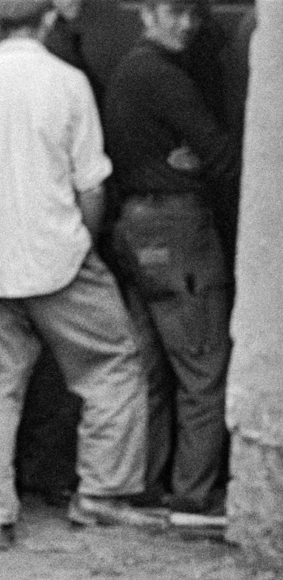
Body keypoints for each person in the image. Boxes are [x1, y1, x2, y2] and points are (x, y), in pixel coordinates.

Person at [0, 0, 166, 549]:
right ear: (48, 20)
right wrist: (86, 245)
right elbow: (91, 184)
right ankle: (102, 492)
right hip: (59, 259)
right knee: (115, 365)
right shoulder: (68, 82)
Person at [104, 0, 239, 528]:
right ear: (148, 12)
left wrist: (189, 157)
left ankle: (143, 480)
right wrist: (199, 163)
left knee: (151, 368)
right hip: (179, 227)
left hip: (135, 227)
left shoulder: (127, 72)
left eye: (193, 15)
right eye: (174, 12)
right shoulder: (164, 77)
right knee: (203, 370)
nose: (185, 24)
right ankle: (191, 496)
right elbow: (224, 156)